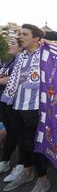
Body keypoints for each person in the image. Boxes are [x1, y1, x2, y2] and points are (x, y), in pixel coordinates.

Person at [1, 24, 51, 192]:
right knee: (21, 141)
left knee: (34, 144)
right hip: (17, 104)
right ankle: (27, 171)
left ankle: (43, 179)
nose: (20, 36)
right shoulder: (21, 56)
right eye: (20, 33)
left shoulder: (47, 53)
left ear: (37, 38)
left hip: (35, 106)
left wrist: (51, 43)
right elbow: (15, 79)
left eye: (24, 34)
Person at [0, 37, 24, 182]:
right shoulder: (9, 61)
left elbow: (13, 79)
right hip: (3, 100)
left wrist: (3, 79)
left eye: (13, 43)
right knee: (10, 132)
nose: (10, 45)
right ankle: (5, 161)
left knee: (19, 134)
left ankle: (22, 165)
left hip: (14, 102)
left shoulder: (21, 60)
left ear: (20, 48)